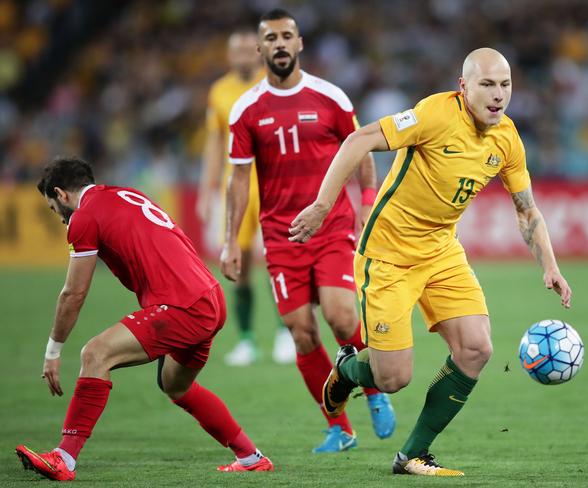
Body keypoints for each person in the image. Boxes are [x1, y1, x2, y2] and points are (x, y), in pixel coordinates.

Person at [290, 48, 573, 475]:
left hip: (442, 252)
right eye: (487, 84)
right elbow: (359, 139)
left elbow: (527, 210)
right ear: (464, 87)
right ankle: (348, 370)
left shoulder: (507, 138)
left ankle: (412, 455)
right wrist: (321, 205)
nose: (499, 95)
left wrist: (549, 265)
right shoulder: (434, 115)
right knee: (392, 379)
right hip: (388, 256)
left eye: (505, 84)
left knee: (476, 348)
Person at [16, 157, 274, 481]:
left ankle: (64, 458)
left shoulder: (85, 216)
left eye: (54, 209)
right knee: (176, 385)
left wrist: (53, 352)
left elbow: (73, 294)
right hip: (209, 296)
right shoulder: (126, 195)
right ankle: (251, 456)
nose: (59, 218)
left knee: (95, 354)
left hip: (183, 305)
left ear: (61, 194)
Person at [220, 8, 396, 453]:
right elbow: (239, 179)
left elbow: (362, 149)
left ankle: (374, 393)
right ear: (260, 49)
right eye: (271, 38)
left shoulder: (330, 97)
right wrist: (230, 242)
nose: (279, 44)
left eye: (286, 36)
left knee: (340, 315)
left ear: (299, 44)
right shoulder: (245, 110)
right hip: (281, 236)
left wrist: (367, 202)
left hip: (333, 225)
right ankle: (339, 426)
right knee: (301, 331)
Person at [197, 29, 295, 366]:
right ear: (229, 56)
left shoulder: (274, 85)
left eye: (245, 50)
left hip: (271, 183)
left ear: (257, 52)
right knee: (237, 264)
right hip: (236, 185)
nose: (241, 56)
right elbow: (213, 144)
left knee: (275, 260)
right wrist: (206, 191)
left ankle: (285, 333)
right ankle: (246, 340)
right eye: (234, 51)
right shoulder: (219, 92)